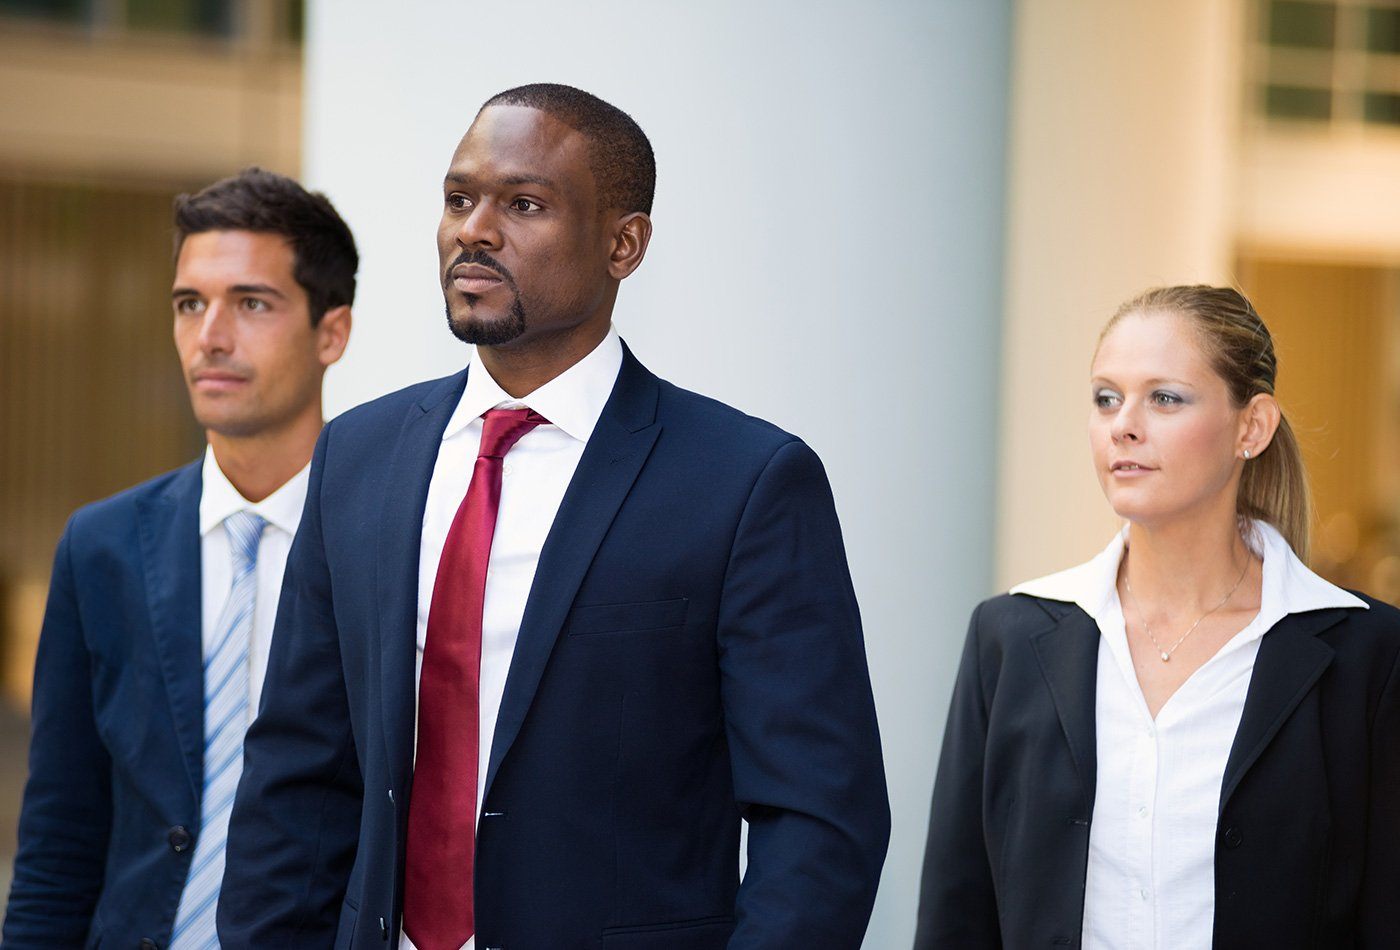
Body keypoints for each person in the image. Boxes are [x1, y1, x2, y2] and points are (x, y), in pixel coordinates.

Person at [216, 83, 890, 950]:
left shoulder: (747, 484)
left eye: (523, 204)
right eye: (460, 199)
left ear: (624, 242)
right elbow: (296, 780)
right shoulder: (359, 457)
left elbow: (819, 822)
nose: (475, 230)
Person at [914, 285, 1400, 949]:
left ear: (1251, 427)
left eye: (1164, 397)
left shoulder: (1369, 656)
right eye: (1106, 398)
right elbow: (956, 914)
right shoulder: (1010, 638)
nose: (1124, 425)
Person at [2, 168, 356, 949]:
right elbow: (60, 838)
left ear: (332, 332)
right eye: (190, 303)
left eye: (251, 303)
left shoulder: (389, 547)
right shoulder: (101, 548)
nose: (210, 337)